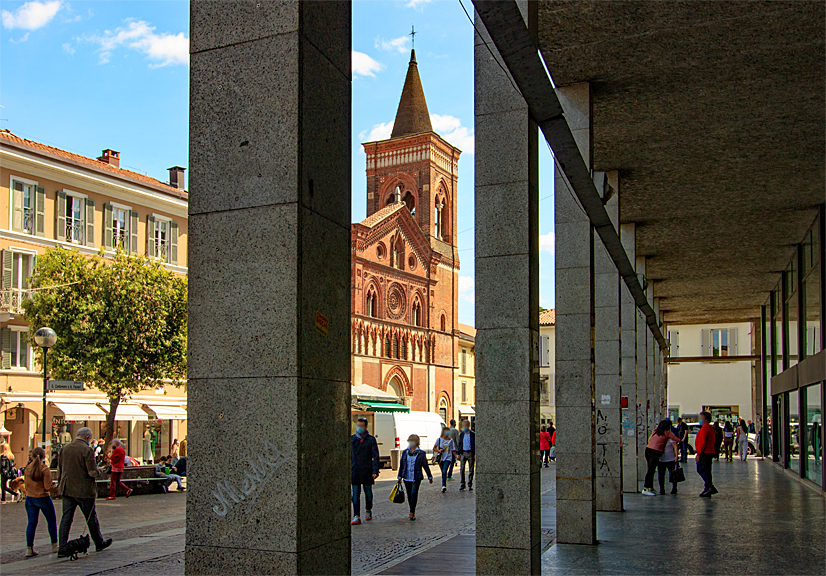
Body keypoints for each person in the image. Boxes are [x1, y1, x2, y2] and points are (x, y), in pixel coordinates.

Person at [56, 427, 112, 556]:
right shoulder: (87, 450)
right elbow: (92, 472)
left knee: (66, 518)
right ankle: (99, 543)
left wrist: (60, 485)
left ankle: (62, 547)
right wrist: (102, 470)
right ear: (87, 437)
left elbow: (59, 469)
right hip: (83, 490)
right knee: (91, 517)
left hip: (67, 488)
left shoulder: (65, 449)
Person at [23, 447, 58, 557]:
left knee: (31, 523)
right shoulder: (44, 469)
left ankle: (29, 548)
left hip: (30, 498)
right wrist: (56, 488)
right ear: (44, 456)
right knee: (51, 521)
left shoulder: (28, 468)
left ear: (32, 456)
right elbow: (47, 486)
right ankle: (54, 545)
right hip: (42, 497)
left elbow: (26, 484)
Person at [350, 417, 379, 525]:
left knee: (368, 493)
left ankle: (368, 510)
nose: (359, 428)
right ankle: (356, 515)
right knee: (355, 494)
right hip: (355, 470)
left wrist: (375, 470)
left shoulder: (370, 440)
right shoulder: (352, 439)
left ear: (366, 427)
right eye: (358, 425)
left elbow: (375, 456)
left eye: (361, 426)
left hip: (367, 470)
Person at [397, 434, 433, 521]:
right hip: (406, 476)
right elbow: (402, 464)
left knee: (414, 493)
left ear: (417, 442)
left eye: (412, 441)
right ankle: (411, 508)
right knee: (409, 494)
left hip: (416, 477)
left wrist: (429, 476)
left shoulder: (421, 453)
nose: (411, 442)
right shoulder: (405, 452)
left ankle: (412, 512)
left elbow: (425, 465)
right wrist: (399, 476)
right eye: (409, 441)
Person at [642, 420, 682, 496]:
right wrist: (681, 440)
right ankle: (646, 487)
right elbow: (677, 440)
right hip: (655, 452)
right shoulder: (667, 433)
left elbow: (649, 440)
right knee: (651, 470)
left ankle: (650, 488)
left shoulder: (655, 431)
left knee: (650, 469)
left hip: (648, 450)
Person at [695, 411, 718, 497]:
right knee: (707, 471)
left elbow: (702, 442)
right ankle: (708, 487)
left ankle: (710, 486)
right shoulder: (709, 428)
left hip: (705, 452)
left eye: (701, 418)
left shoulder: (705, 428)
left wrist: (699, 454)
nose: (699, 420)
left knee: (701, 469)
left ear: (706, 420)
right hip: (709, 452)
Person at [433, 427, 457, 493]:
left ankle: (444, 486)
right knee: (443, 472)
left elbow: (453, 449)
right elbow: (434, 448)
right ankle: (444, 482)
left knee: (444, 471)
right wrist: (439, 450)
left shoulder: (451, 440)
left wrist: (456, 457)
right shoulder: (439, 440)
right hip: (441, 458)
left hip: (448, 458)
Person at [657, 429, 680, 495]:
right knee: (661, 475)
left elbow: (675, 446)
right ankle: (662, 489)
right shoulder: (658, 437)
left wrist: (676, 456)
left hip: (670, 459)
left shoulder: (670, 437)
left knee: (673, 474)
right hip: (661, 459)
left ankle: (674, 488)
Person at [457, 420, 475, 491]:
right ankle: (462, 484)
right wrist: (459, 453)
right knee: (462, 469)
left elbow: (474, 444)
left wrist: (474, 454)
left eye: (465, 426)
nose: (464, 427)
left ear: (468, 426)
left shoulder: (473, 434)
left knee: (471, 469)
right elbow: (459, 444)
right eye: (463, 425)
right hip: (463, 453)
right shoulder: (461, 435)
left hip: (470, 453)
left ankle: (470, 484)